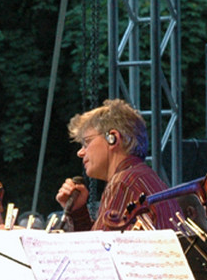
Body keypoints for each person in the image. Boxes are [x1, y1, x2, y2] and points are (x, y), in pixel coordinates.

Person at [54, 98, 179, 232]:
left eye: (86, 142)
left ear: (112, 138)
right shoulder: (142, 178)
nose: (80, 152)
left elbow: (102, 250)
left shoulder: (123, 183)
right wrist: (78, 212)